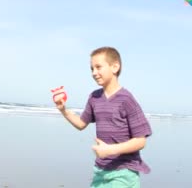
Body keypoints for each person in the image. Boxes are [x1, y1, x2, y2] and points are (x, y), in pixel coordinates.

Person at [55, 46, 152, 188]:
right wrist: (64, 110)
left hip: (124, 171)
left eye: (98, 67)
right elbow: (81, 123)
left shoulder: (126, 99)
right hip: (100, 170)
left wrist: (110, 150)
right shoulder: (94, 97)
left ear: (115, 67)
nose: (94, 73)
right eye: (91, 69)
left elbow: (140, 141)